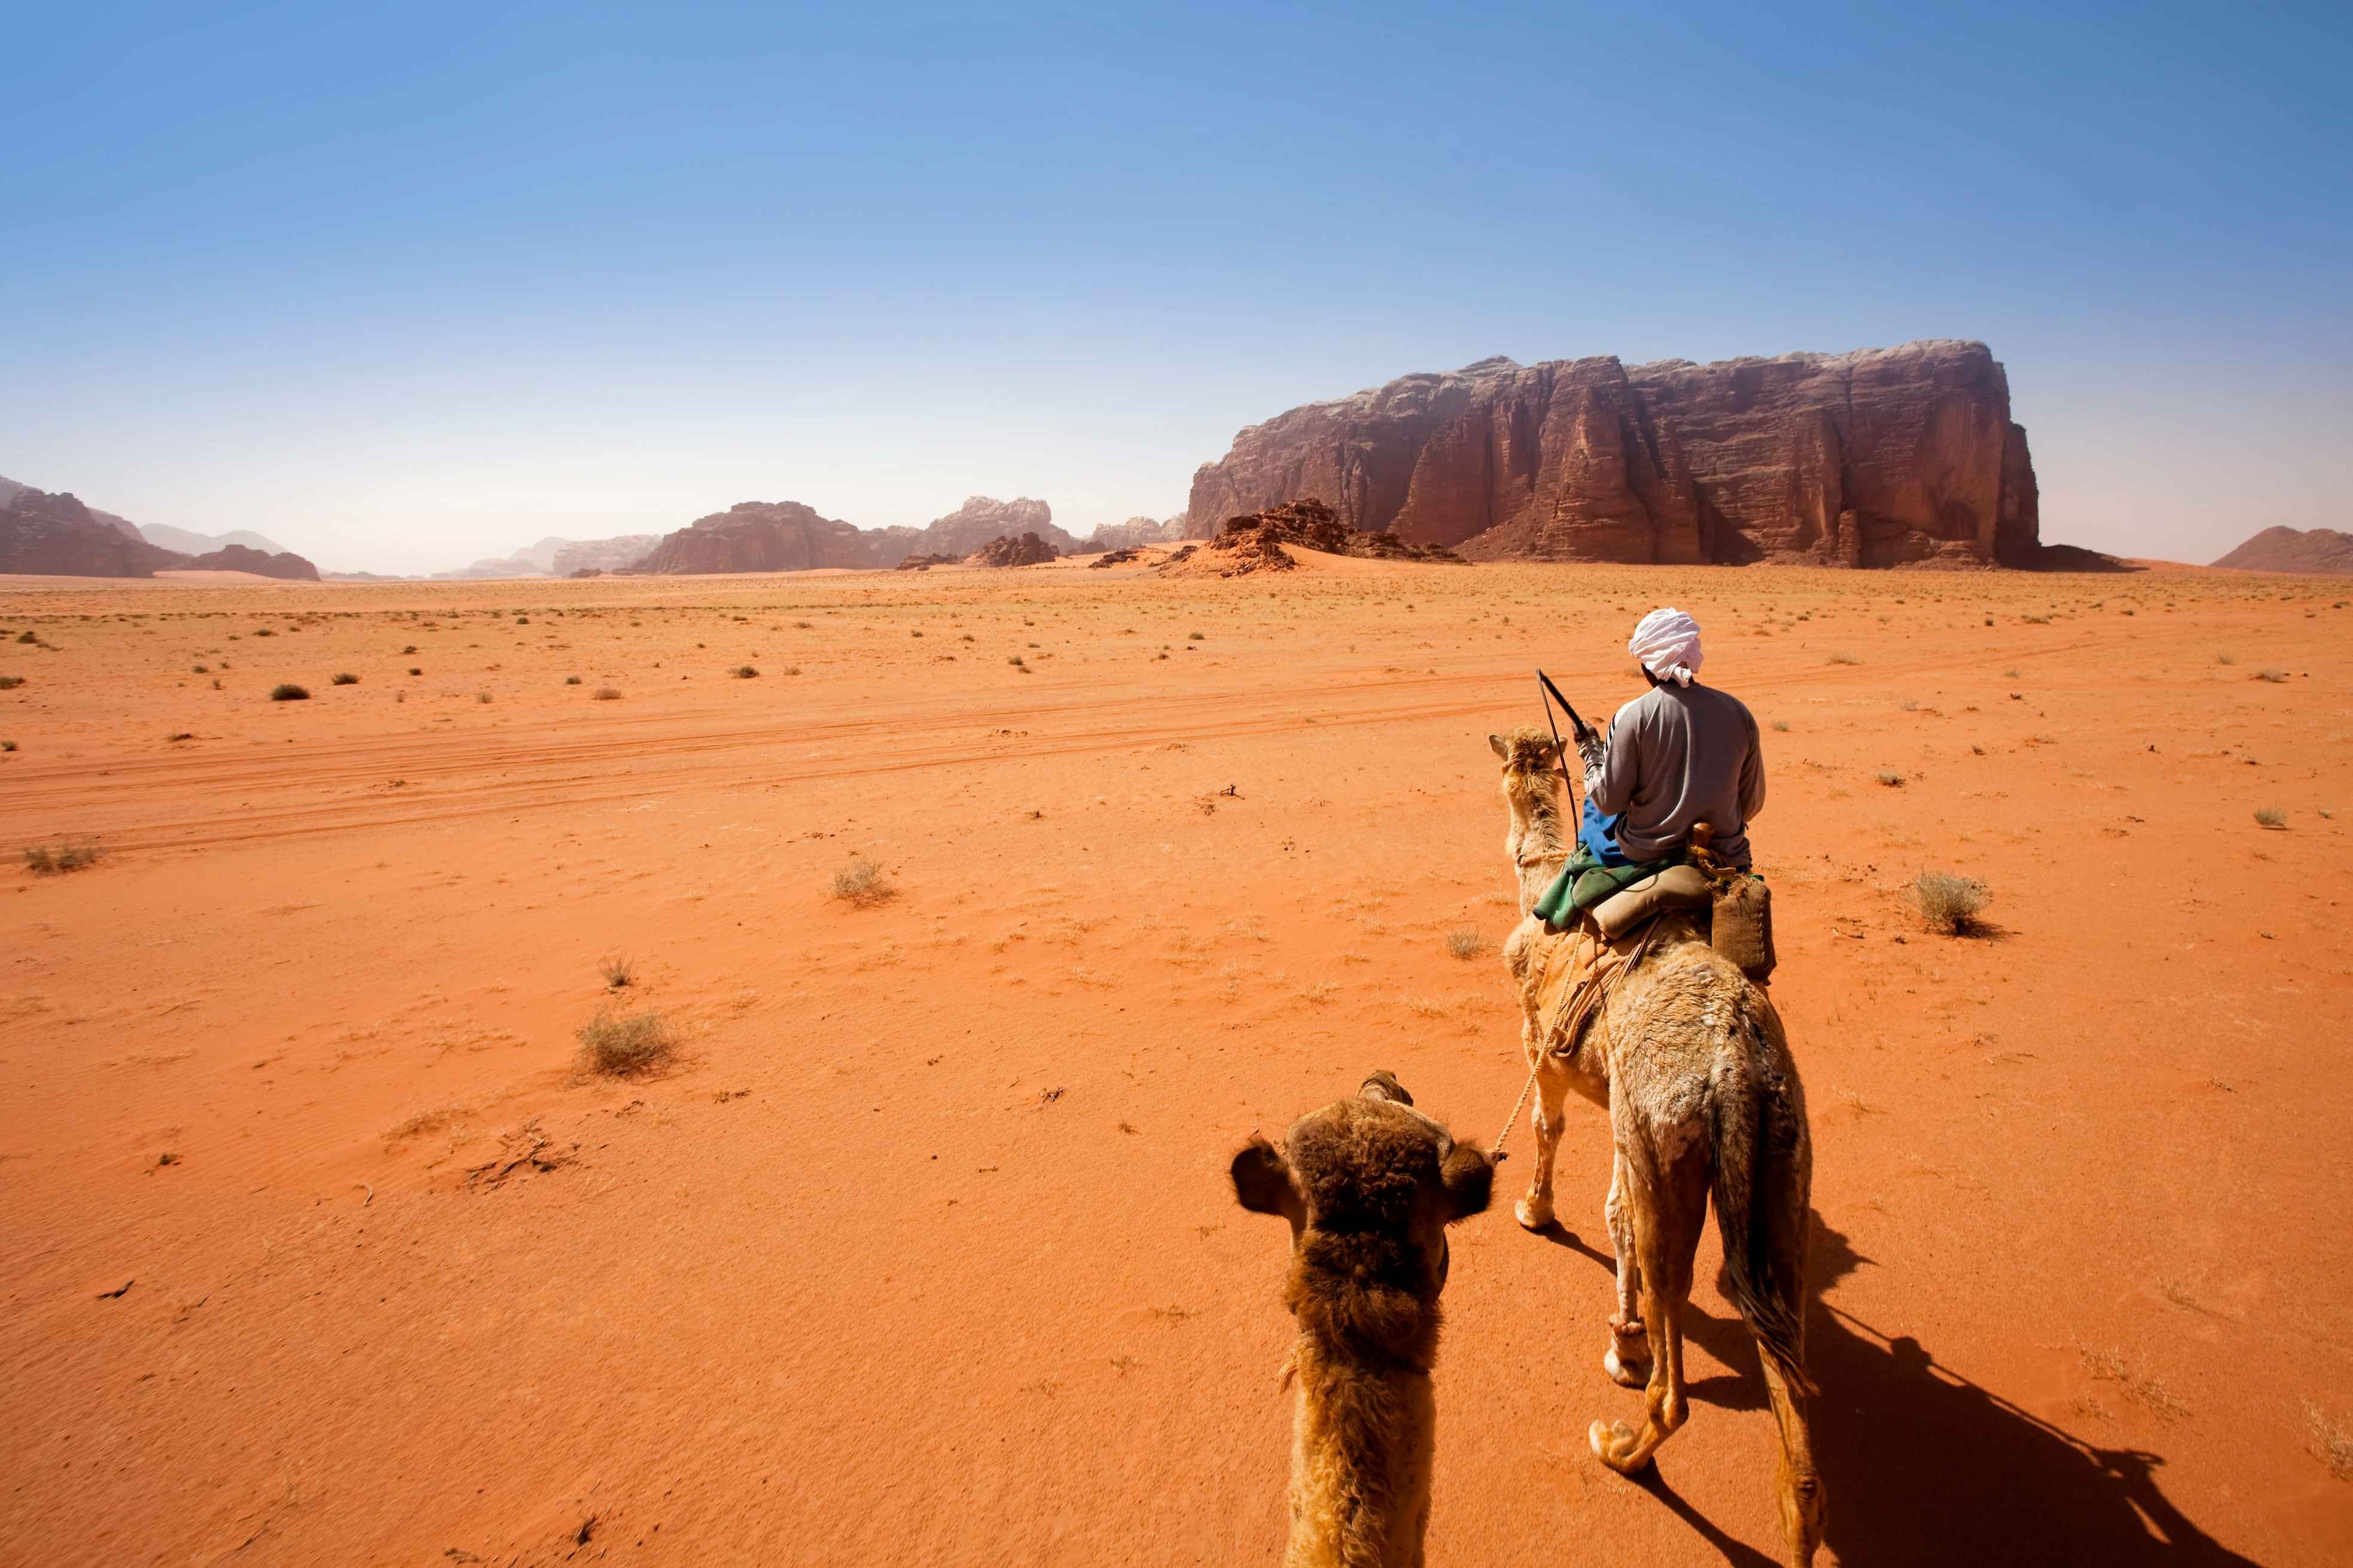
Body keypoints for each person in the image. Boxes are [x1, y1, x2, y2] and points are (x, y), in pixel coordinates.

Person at [1535, 606, 1765, 929]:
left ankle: (1555, 921)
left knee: (1593, 815)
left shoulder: (1634, 715)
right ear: (1691, 656)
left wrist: (1590, 752)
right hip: (1726, 856)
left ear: (1647, 664)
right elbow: (1751, 804)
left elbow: (1608, 800)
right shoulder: (1739, 713)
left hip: (1645, 853)